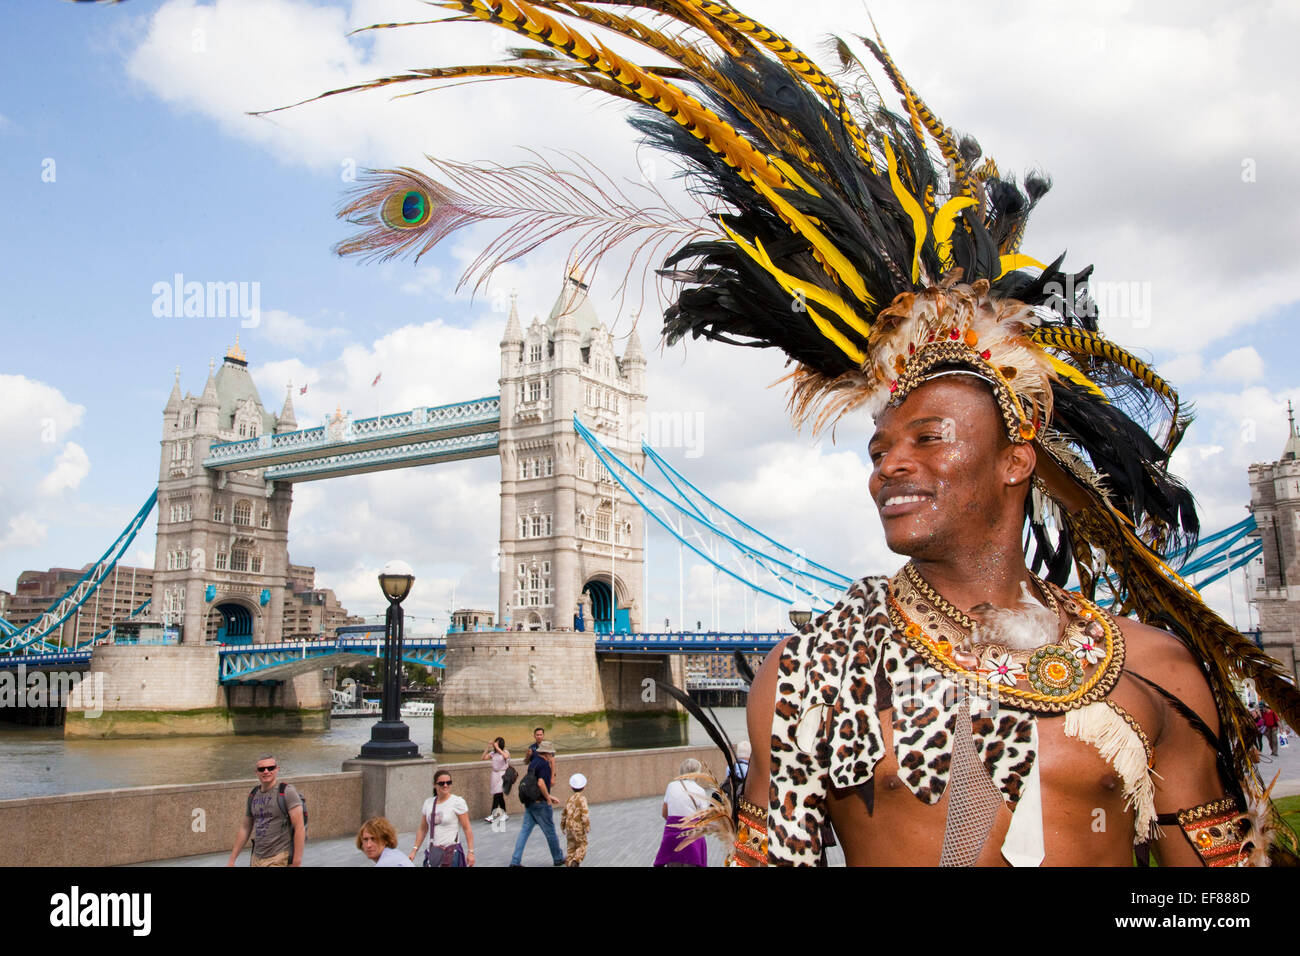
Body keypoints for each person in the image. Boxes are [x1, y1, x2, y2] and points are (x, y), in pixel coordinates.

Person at [292, 0, 1299, 866]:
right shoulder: (812, 670)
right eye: (875, 447)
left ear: (1016, 461)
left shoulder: (1150, 666)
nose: (888, 465)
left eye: (930, 438)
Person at [226, 754, 304, 867]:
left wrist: (297, 860)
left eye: (270, 768)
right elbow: (245, 828)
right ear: (256, 772)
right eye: (261, 769)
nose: (266, 771)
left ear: (277, 769)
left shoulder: (287, 792)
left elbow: (299, 827)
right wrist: (232, 859)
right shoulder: (253, 794)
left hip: (279, 857)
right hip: (256, 858)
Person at [509, 740, 564, 867]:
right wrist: (548, 798)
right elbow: (540, 783)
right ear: (546, 753)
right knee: (550, 832)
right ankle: (558, 858)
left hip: (530, 801)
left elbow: (534, 785)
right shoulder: (544, 764)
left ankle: (515, 861)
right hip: (540, 804)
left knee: (524, 832)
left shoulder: (534, 762)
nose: (552, 755)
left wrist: (549, 796)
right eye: (551, 753)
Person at [410, 769, 475, 867]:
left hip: (451, 854)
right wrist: (414, 850)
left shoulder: (457, 802)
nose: (445, 785)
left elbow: (467, 828)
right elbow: (423, 829)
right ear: (434, 785)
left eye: (448, 783)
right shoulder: (428, 803)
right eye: (441, 783)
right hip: (433, 854)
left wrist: (471, 852)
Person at [653, 758, 709, 867]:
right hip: (692, 839)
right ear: (697, 773)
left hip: (672, 838)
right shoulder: (700, 791)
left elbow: (665, 813)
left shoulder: (671, 786)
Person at [560, 772, 590, 867]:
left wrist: (562, 825)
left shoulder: (570, 798)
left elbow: (564, 813)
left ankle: (569, 863)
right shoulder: (582, 799)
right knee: (583, 844)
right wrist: (587, 826)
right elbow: (585, 814)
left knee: (571, 848)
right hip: (578, 827)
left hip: (569, 827)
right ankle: (575, 861)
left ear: (572, 787)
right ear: (584, 786)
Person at [482, 736, 511, 823]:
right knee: (499, 795)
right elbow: (483, 757)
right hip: (495, 775)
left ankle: (492, 815)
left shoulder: (505, 752)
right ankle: (504, 814)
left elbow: (506, 756)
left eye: (497, 743)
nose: (495, 744)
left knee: (497, 794)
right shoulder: (493, 753)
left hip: (502, 774)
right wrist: (488, 747)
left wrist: (498, 748)